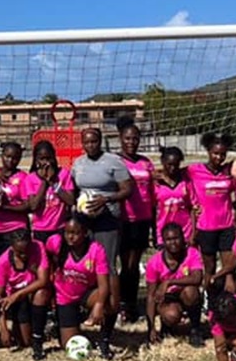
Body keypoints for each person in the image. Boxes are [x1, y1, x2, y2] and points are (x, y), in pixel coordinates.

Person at [70, 127, 132, 337]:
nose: (90, 146)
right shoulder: (78, 164)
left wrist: (107, 199)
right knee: (84, 264)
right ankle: (90, 305)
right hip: (84, 221)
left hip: (108, 220)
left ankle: (112, 308)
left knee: (107, 265)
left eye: (94, 141)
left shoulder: (113, 161)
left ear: (100, 141)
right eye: (86, 142)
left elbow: (127, 189)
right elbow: (75, 190)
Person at [45, 218, 111, 359]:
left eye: (76, 233)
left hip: (86, 294)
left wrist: (99, 305)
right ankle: (67, 324)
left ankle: (104, 339)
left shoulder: (96, 250)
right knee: (68, 344)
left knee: (110, 298)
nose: (70, 237)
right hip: (64, 297)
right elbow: (46, 254)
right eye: (67, 232)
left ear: (85, 233)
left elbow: (104, 284)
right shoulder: (55, 242)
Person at [116, 120, 155, 322]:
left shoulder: (145, 162)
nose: (132, 142)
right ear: (120, 139)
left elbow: (153, 188)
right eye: (128, 138)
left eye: (135, 138)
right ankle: (124, 305)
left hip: (143, 219)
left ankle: (130, 304)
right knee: (127, 264)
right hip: (124, 220)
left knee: (135, 263)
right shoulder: (115, 161)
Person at [144, 222, 205, 347]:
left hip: (184, 293)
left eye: (176, 238)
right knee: (171, 315)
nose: (173, 243)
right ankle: (166, 325)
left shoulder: (192, 253)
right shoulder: (154, 262)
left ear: (183, 238)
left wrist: (169, 282)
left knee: (191, 292)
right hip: (167, 298)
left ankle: (195, 329)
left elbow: (197, 278)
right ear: (163, 241)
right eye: (169, 239)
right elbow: (150, 296)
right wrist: (151, 327)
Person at [0, 228, 50, 359]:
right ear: (12, 247)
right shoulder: (2, 262)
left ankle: (38, 339)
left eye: (27, 251)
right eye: (20, 252)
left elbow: (43, 280)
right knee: (24, 342)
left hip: (31, 293)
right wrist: (3, 329)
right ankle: (27, 325)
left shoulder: (38, 247)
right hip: (16, 301)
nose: (24, 255)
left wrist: (18, 294)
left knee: (41, 293)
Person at [187, 133, 236, 277]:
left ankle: (226, 298)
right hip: (205, 227)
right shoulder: (194, 170)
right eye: (215, 153)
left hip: (227, 226)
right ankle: (208, 297)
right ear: (208, 152)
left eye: (223, 154)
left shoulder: (229, 171)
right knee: (209, 268)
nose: (219, 157)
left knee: (228, 269)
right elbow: (173, 173)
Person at [0, 141, 31, 266]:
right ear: (2, 156)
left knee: (17, 266)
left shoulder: (23, 177)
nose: (11, 160)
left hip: (16, 230)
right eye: (7, 156)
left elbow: (27, 206)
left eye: (15, 158)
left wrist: (4, 208)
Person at [22, 139, 75, 244]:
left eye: (48, 158)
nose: (46, 163)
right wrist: (44, 182)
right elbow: (33, 206)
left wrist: (53, 183)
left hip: (59, 227)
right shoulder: (30, 179)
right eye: (42, 159)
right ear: (36, 160)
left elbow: (71, 200)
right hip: (40, 229)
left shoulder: (63, 174)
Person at [153, 146, 195, 246]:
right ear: (163, 162)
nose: (172, 168)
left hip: (185, 232)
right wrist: (155, 234)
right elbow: (153, 210)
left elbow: (192, 208)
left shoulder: (186, 182)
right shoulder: (155, 183)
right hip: (164, 233)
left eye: (176, 164)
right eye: (169, 164)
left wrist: (193, 233)